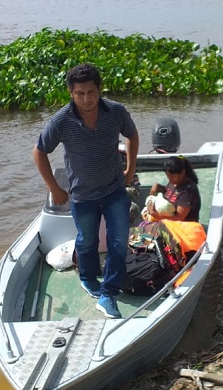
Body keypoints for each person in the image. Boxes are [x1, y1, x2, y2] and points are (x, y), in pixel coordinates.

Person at [33, 63, 139, 319]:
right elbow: (39, 152)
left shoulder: (115, 112)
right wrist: (54, 188)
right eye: (79, 93)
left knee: (118, 241)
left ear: (100, 89)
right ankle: (88, 277)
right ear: (71, 93)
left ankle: (109, 293)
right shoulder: (62, 120)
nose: (86, 99)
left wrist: (130, 168)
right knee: (87, 240)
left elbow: (132, 135)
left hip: (114, 189)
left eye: (91, 92)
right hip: (82, 195)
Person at [145, 156, 201, 223]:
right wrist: (158, 187)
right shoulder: (174, 182)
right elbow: (169, 193)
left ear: (182, 172)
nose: (170, 180)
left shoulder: (188, 191)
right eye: (168, 176)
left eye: (173, 177)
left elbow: (179, 218)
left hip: (182, 226)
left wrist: (154, 214)